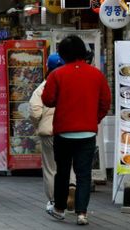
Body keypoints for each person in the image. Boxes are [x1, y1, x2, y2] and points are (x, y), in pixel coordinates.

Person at [42, 35, 111, 225]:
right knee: (84, 174)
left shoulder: (57, 74)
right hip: (88, 132)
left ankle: (59, 209)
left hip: (63, 131)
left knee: (62, 172)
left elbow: (47, 99)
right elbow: (105, 102)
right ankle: (82, 214)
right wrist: (93, 119)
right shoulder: (97, 74)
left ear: (63, 54)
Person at [29, 53, 77, 213]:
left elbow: (35, 112)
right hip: (69, 130)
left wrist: (39, 124)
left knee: (51, 168)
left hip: (49, 132)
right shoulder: (72, 84)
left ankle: (54, 200)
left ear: (48, 68)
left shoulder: (43, 87)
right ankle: (71, 186)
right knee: (69, 164)